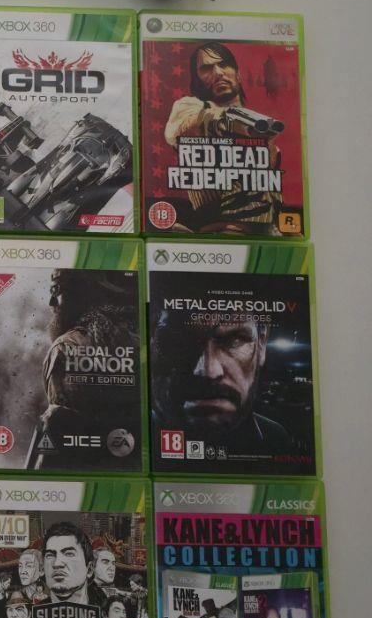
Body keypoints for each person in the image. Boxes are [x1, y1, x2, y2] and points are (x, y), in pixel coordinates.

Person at [163, 41, 284, 234]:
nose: (218, 73)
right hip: (219, 226)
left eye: (224, 64)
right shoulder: (189, 107)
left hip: (264, 229)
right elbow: (178, 132)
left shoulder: (261, 131)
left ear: (238, 75)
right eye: (206, 68)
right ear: (197, 79)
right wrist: (233, 123)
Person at [151, 305, 298, 460]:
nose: (209, 371)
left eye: (235, 340)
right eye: (177, 341)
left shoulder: (276, 437)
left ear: (261, 343)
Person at [26, 269, 139, 470]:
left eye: (56, 291)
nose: (52, 302)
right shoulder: (139, 338)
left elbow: (57, 427)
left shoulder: (66, 347)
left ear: (80, 292)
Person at [42, 521, 98, 605]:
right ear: (42, 568)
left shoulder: (107, 610)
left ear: (89, 569)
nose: (57, 564)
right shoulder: (31, 612)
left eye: (69, 554)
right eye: (50, 555)